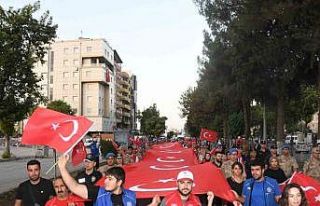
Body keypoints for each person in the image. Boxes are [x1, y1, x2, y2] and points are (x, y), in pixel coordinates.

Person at [58, 154, 136, 205]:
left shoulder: (131, 196)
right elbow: (75, 187)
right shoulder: (98, 193)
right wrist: (62, 168)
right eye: (106, 178)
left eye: (110, 179)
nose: (105, 181)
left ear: (119, 182)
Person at [149, 170, 215, 206]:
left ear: (192, 184)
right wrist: (153, 205)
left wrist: (210, 202)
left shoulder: (197, 201)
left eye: (188, 183)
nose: (185, 186)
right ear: (177, 183)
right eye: (182, 182)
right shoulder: (167, 200)